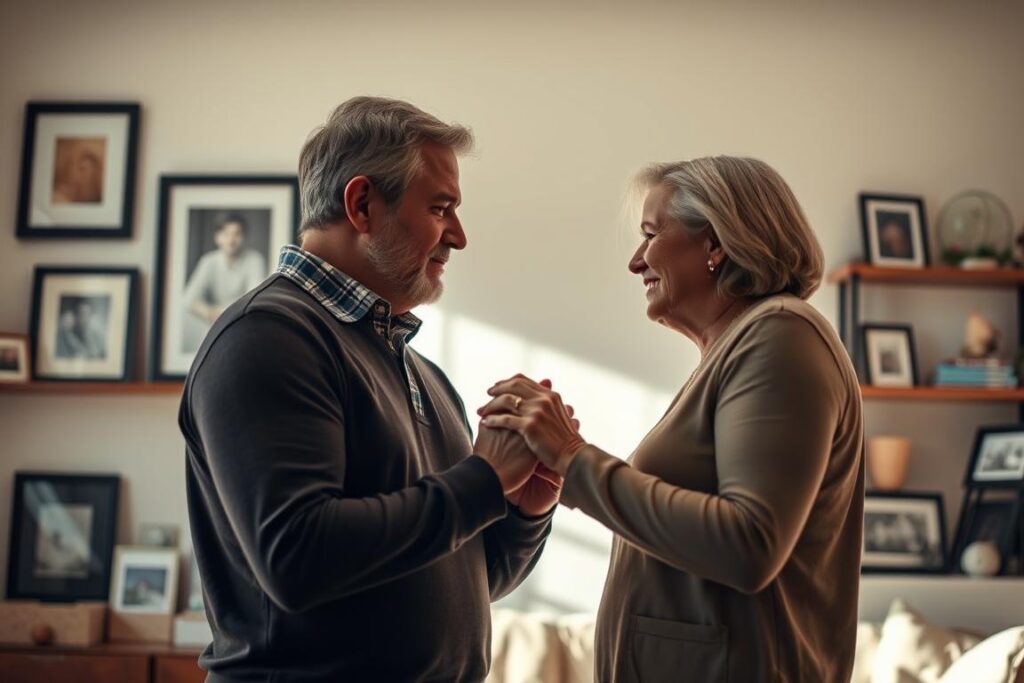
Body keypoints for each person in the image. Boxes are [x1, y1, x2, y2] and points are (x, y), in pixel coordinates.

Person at [180, 97, 561, 681]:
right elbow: (297, 558)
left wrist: (524, 511)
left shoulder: (423, 373)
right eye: (441, 208)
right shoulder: (266, 336)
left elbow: (469, 579)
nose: (457, 236)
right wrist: (482, 480)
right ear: (361, 204)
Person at [480, 156, 865, 682]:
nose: (636, 262)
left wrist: (574, 460)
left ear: (716, 244)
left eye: (651, 234)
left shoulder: (780, 334)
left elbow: (749, 544)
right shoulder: (741, 345)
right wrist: (566, 471)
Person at [181, 213, 267, 352]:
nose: (231, 240)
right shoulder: (208, 261)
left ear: (244, 237)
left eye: (237, 234)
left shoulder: (255, 260)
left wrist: (223, 312)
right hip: (212, 318)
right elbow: (189, 297)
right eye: (226, 234)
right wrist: (208, 311)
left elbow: (253, 297)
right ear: (217, 237)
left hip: (241, 318)